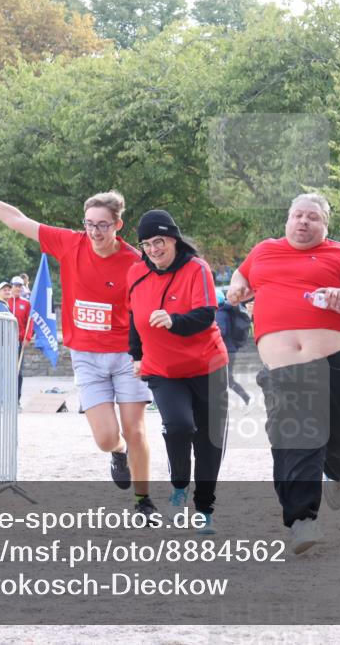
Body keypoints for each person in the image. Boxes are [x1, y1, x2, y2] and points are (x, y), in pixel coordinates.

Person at [0, 160, 156, 512]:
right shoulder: (69, 243)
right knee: (106, 438)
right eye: (89, 224)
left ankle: (143, 500)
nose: (95, 232)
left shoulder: (136, 262)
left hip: (125, 356)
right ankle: (118, 454)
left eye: (103, 225)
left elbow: (150, 308)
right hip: (86, 356)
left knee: (136, 429)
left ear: (118, 225)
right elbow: (16, 218)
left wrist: (147, 355)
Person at [227, 193, 340, 554]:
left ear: (325, 224)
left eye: (313, 217)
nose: (303, 222)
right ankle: (302, 520)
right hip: (286, 371)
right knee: (295, 442)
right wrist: (237, 287)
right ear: (287, 219)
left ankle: (337, 473)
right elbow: (242, 273)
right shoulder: (264, 250)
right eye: (297, 215)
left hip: (337, 361)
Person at [128, 210, 228, 533]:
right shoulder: (136, 273)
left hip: (208, 365)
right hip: (163, 369)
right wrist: (136, 354)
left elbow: (206, 314)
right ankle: (180, 485)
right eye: (146, 244)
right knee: (180, 426)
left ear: (173, 239)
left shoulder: (197, 268)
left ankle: (204, 509)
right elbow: (134, 316)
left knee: (210, 440)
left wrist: (174, 321)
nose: (153, 249)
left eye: (159, 241)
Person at [215, 290, 252, 406]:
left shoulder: (220, 313)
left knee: (226, 379)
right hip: (228, 350)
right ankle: (245, 397)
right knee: (224, 379)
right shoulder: (225, 311)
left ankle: (246, 397)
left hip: (226, 351)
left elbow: (222, 331)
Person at [8, 276, 33, 406]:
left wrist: (27, 338)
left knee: (18, 372)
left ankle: (16, 400)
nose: (17, 288)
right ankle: (4, 399)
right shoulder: (5, 302)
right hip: (5, 342)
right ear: (11, 287)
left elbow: (30, 322)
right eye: (15, 286)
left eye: (19, 286)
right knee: (5, 371)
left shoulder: (26, 303)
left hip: (19, 343)